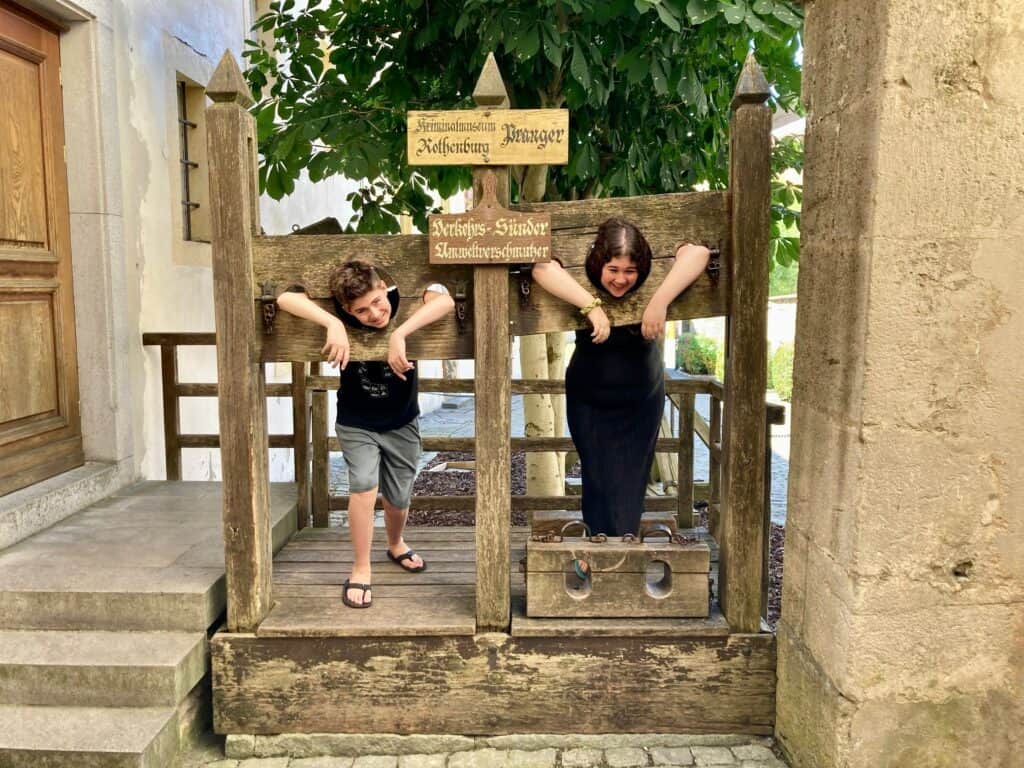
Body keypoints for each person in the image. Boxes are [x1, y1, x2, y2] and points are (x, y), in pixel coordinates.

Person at [276, 262, 454, 608]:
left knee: (399, 497)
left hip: (402, 422)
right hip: (356, 422)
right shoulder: (339, 318)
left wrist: (400, 333)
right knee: (363, 486)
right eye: (360, 310)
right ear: (346, 309)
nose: (374, 314)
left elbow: (446, 301)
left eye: (377, 301)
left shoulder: (403, 300)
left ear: (385, 286)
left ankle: (396, 543)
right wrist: (331, 323)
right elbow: (283, 295)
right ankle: (360, 567)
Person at [531, 218, 710, 538]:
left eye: (630, 271)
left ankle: (621, 552)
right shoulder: (583, 275)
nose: (621, 279)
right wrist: (590, 305)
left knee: (631, 482)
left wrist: (659, 300)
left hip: (640, 399)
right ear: (599, 262)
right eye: (613, 269)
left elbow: (698, 252)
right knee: (597, 479)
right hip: (590, 398)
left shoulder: (650, 283)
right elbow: (541, 266)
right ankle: (595, 551)